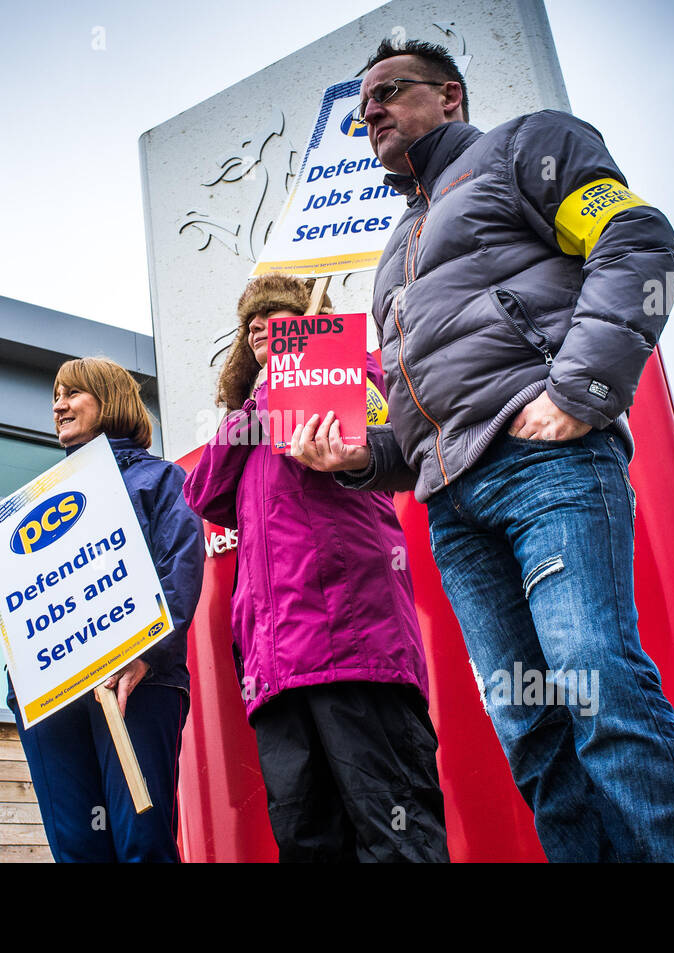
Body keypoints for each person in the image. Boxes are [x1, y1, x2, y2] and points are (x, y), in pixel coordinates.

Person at [291, 39, 674, 862]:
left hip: (547, 470)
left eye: (388, 92)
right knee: (530, 729)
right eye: (362, 108)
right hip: (455, 510)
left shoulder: (525, 147)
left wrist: (578, 392)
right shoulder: (389, 258)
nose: (369, 111)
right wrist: (353, 457)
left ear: (450, 96)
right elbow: (417, 430)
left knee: (598, 689)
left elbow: (637, 240)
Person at [183, 273, 449, 862]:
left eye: (275, 317)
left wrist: (302, 374)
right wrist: (262, 399)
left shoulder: (356, 373)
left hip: (358, 652)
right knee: (307, 845)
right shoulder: (252, 422)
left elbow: (396, 440)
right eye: (250, 323)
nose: (258, 326)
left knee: (396, 835)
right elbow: (203, 493)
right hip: (275, 670)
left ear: (311, 321)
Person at [5, 356, 204, 862]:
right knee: (76, 847)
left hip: (137, 681)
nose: (58, 405)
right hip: (52, 698)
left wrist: (146, 656)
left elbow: (179, 571)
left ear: (109, 399)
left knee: (141, 842)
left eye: (72, 393)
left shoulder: (161, 480)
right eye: (55, 396)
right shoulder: (32, 502)